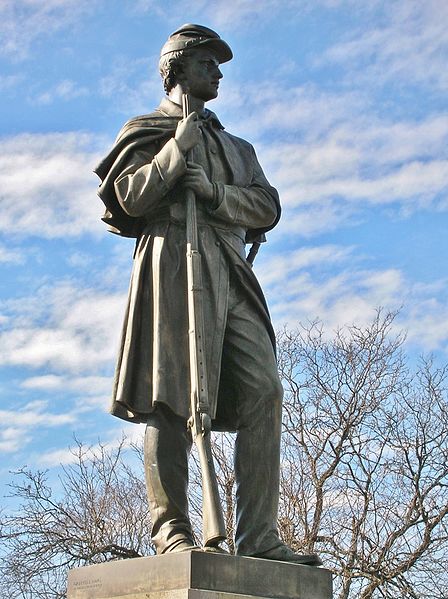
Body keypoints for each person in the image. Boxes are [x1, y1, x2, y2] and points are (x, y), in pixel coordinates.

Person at [95, 24, 322, 566]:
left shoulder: (237, 147)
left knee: (262, 389)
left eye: (218, 65)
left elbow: (267, 207)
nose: (218, 73)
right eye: (207, 63)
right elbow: (127, 198)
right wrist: (177, 153)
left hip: (227, 264)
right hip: (171, 262)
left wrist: (215, 192)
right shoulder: (147, 130)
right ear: (176, 69)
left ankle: (258, 535)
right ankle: (170, 529)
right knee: (168, 395)